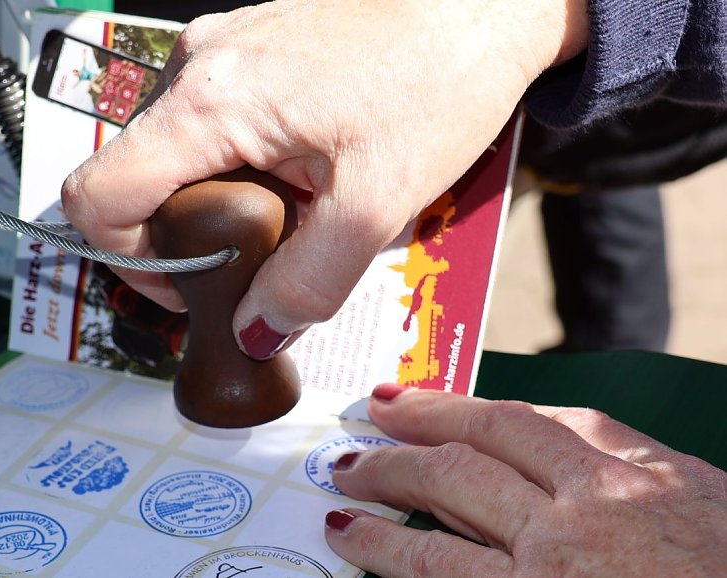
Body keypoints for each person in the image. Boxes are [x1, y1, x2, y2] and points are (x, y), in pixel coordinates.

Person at [60, 0, 727, 574]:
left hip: (592, 109)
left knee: (607, 233)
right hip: (390, 83)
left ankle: (609, 343)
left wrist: (501, 26)